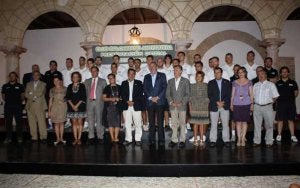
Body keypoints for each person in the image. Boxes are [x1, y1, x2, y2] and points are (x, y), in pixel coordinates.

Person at [253, 69, 279, 147]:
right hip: (257, 107)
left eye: (262, 74)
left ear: (266, 75)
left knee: (269, 125)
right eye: (259, 74)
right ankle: (257, 141)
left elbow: (275, 96)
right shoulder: (255, 85)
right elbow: (253, 96)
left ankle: (269, 141)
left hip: (267, 107)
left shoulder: (271, 85)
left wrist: (269, 103)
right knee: (257, 125)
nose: (260, 76)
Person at [143, 61, 167, 146]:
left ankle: (161, 139)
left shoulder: (162, 75)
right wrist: (151, 98)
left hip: (159, 101)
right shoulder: (146, 76)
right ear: (149, 67)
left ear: (156, 67)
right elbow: (145, 88)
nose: (152, 67)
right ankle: (152, 139)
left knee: (160, 122)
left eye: (153, 66)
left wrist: (157, 97)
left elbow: (164, 87)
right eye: (150, 66)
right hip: (150, 102)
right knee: (151, 122)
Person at [167, 65, 190, 148]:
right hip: (173, 106)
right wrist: (171, 102)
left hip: (182, 105)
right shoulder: (170, 81)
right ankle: (174, 140)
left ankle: (182, 140)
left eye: (177, 70)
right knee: (174, 123)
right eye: (174, 70)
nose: (175, 71)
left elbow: (188, 94)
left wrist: (182, 102)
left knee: (182, 123)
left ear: (181, 71)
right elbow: (167, 94)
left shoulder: (186, 81)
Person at [207, 67, 232, 148]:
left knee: (225, 124)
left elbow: (229, 94)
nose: (217, 74)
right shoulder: (210, 83)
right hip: (214, 106)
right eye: (215, 72)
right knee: (213, 124)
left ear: (221, 73)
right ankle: (213, 140)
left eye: (218, 72)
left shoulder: (227, 82)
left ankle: (226, 140)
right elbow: (209, 94)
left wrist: (223, 102)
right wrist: (217, 102)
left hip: (225, 106)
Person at [230, 67, 254, 147]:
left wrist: (252, 104)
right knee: (238, 122)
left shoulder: (249, 82)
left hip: (246, 104)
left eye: (242, 72)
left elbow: (251, 94)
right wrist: (231, 104)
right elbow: (232, 95)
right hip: (236, 104)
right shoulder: (234, 82)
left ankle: (243, 138)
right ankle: (239, 139)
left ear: (245, 73)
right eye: (239, 72)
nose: (240, 74)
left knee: (244, 122)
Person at [120, 69, 144, 146]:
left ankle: (138, 139)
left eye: (133, 74)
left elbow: (141, 94)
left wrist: (133, 102)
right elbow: (122, 94)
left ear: (135, 74)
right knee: (127, 124)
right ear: (127, 74)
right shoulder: (123, 83)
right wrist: (127, 101)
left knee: (138, 123)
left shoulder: (139, 83)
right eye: (130, 74)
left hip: (136, 105)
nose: (131, 75)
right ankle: (128, 139)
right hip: (126, 105)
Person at [275, 66, 298, 143]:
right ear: (280, 74)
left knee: (291, 120)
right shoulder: (278, 83)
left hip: (290, 104)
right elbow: (275, 94)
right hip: (281, 104)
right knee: (280, 120)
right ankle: (279, 135)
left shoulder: (293, 82)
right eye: (283, 72)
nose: (284, 73)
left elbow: (296, 92)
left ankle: (293, 135)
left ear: (288, 73)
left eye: (286, 71)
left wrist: (289, 98)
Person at [84, 66, 107, 144]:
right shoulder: (86, 81)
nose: (93, 72)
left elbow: (105, 93)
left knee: (99, 120)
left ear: (98, 72)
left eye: (95, 71)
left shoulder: (103, 81)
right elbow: (85, 94)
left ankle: (100, 136)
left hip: (99, 103)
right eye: (92, 71)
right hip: (89, 103)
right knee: (90, 120)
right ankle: (91, 136)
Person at [25, 71, 48, 143]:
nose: (35, 76)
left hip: (40, 105)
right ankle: (34, 137)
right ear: (32, 76)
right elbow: (26, 94)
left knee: (41, 122)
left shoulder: (43, 84)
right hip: (30, 105)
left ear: (39, 76)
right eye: (34, 75)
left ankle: (43, 137)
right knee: (31, 122)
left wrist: (31, 93)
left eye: (37, 75)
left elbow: (40, 93)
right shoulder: (28, 84)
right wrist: (32, 96)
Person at [2, 72, 25, 143]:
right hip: (8, 107)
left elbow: (23, 96)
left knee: (19, 123)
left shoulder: (20, 86)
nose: (12, 77)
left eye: (13, 76)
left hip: (18, 106)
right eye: (11, 76)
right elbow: (3, 96)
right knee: (8, 123)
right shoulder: (5, 86)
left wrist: (18, 102)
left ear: (16, 77)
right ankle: (8, 138)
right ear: (9, 77)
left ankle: (19, 137)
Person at [66, 72, 87, 145]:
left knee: (80, 123)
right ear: (72, 78)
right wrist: (73, 106)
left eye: (76, 76)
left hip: (80, 107)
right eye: (73, 77)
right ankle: (75, 139)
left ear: (79, 78)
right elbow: (68, 97)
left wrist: (76, 106)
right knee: (74, 123)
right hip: (71, 107)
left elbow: (83, 97)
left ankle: (79, 139)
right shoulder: (69, 86)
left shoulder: (82, 86)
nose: (75, 78)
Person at [189, 71, 209, 146]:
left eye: (200, 76)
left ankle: (201, 139)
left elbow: (207, 97)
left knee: (202, 124)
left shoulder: (206, 86)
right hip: (194, 107)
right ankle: (195, 139)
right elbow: (190, 99)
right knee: (195, 124)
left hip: (203, 108)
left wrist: (207, 108)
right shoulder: (192, 86)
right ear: (195, 77)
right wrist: (190, 108)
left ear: (203, 78)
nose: (198, 78)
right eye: (197, 76)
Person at [102, 73, 121, 143]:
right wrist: (111, 99)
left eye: (112, 78)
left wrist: (119, 99)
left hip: (118, 107)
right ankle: (112, 137)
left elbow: (122, 97)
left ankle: (116, 137)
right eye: (109, 78)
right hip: (109, 107)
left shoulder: (119, 87)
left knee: (117, 122)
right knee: (110, 122)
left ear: (115, 78)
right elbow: (103, 98)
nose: (111, 79)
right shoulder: (106, 88)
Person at [48, 76, 67, 145]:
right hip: (55, 107)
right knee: (56, 123)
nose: (56, 82)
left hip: (63, 107)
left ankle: (61, 138)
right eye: (54, 81)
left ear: (60, 81)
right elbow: (50, 101)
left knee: (62, 123)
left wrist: (65, 101)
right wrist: (49, 111)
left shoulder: (65, 89)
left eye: (57, 80)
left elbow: (68, 98)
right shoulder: (52, 90)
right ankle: (57, 138)